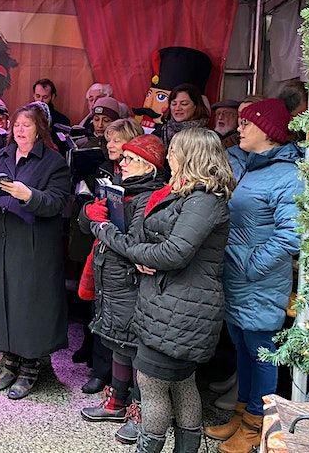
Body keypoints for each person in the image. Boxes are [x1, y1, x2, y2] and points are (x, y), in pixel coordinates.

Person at [90, 127, 235, 452]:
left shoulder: (204, 201)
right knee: (181, 384)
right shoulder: (189, 194)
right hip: (169, 304)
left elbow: (174, 253)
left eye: (174, 151)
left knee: (153, 384)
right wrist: (146, 254)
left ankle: (150, 447)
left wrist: (135, 251)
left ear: (190, 156)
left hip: (181, 309)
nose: (168, 157)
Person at [205, 99, 304, 453]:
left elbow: (291, 234)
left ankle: (258, 425)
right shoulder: (252, 166)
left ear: (268, 131)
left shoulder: (288, 175)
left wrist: (252, 264)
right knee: (244, 350)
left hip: (259, 281)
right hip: (238, 278)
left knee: (262, 353)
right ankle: (242, 413)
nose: (240, 128)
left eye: (247, 123)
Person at [0, 102, 70, 400]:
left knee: (28, 305)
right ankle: (9, 362)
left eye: (26, 125)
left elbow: (58, 203)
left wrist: (29, 195)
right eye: (16, 125)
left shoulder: (54, 162)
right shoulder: (0, 156)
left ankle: (30, 367)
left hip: (32, 244)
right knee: (1, 300)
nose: (19, 130)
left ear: (39, 129)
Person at [77, 134, 165, 444]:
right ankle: (116, 401)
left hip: (131, 282)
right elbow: (88, 224)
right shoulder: (120, 190)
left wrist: (102, 226)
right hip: (112, 281)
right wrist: (90, 214)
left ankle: (140, 412)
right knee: (117, 342)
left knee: (135, 347)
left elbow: (135, 244)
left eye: (130, 159)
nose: (122, 163)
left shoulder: (149, 198)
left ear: (148, 166)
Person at [71, 118, 145, 401]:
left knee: (120, 321)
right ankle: (99, 371)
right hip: (100, 250)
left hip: (126, 258)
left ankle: (122, 386)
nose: (110, 145)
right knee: (99, 312)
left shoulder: (143, 176)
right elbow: (84, 215)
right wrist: (88, 212)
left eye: (117, 140)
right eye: (109, 140)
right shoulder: (101, 169)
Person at [151, 83, 210, 151]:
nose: (177, 108)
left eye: (184, 104)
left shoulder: (208, 138)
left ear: (196, 106)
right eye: (174, 104)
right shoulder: (160, 132)